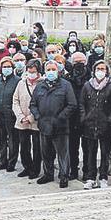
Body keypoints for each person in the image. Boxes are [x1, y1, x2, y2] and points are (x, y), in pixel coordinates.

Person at [29, 60, 77, 188]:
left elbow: (72, 105)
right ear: (45, 72)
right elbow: (33, 104)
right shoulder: (40, 86)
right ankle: (48, 174)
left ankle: (64, 176)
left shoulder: (65, 85)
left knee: (62, 153)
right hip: (44, 125)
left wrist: (61, 117)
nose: (51, 72)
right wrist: (38, 117)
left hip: (60, 126)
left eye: (53, 69)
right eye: (48, 70)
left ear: (58, 70)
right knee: (46, 152)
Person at [80, 61, 111, 189]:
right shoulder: (87, 86)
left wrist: (109, 120)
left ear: (107, 71)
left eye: (103, 69)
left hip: (105, 126)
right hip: (89, 125)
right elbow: (82, 104)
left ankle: (103, 177)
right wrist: (84, 118)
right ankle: (91, 178)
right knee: (91, 153)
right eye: (98, 68)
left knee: (105, 154)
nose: (100, 71)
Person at [0, 57, 21, 172]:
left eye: (9, 67)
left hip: (11, 116)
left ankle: (11, 162)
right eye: (4, 67)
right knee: (0, 139)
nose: (6, 69)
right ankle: (2, 161)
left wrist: (13, 112)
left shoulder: (17, 81)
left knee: (13, 140)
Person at [13, 59, 42, 179]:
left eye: (33, 71)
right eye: (29, 71)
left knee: (37, 147)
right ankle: (27, 167)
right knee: (24, 146)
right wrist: (20, 116)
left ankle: (35, 169)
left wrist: (31, 117)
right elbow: (15, 100)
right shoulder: (21, 83)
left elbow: (44, 104)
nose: (31, 74)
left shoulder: (43, 83)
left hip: (36, 122)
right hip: (22, 121)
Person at [64, 52, 88, 180]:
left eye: (81, 62)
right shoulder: (67, 79)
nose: (79, 65)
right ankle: (73, 171)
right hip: (72, 119)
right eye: (76, 62)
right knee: (72, 148)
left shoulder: (91, 78)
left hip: (87, 119)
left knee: (88, 148)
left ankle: (87, 172)